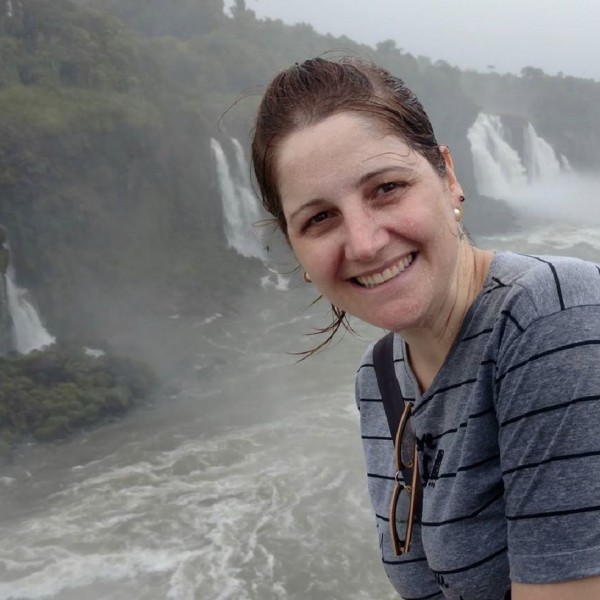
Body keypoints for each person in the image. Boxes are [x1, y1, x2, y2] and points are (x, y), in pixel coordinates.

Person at [251, 57, 600, 600]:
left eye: (386, 188)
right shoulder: (380, 381)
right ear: (295, 247)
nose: (365, 243)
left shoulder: (553, 319)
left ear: (448, 177)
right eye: (319, 218)